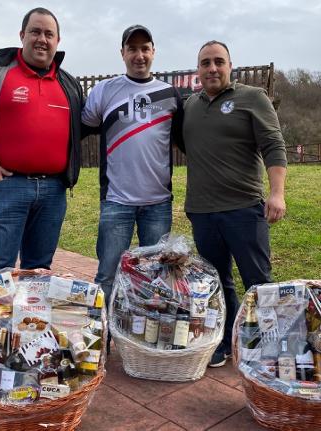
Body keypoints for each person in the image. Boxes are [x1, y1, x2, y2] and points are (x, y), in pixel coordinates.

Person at [0, 8, 85, 274]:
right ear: (22, 35)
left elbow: (84, 126)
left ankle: (29, 318)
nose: (42, 39)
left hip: (53, 192)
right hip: (5, 187)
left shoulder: (68, 83)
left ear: (58, 41)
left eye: (49, 34)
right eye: (35, 31)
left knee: (39, 272)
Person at [179, 41, 287, 367]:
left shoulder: (253, 98)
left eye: (218, 62)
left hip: (244, 209)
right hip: (202, 211)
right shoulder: (190, 106)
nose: (212, 68)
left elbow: (273, 145)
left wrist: (277, 192)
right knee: (217, 282)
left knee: (258, 281)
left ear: (230, 66)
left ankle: (270, 348)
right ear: (198, 70)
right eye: (205, 63)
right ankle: (227, 341)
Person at [81, 25, 183, 305]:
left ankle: (145, 338)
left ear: (153, 52)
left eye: (145, 48)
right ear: (122, 53)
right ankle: (102, 340)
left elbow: (183, 140)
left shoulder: (170, 94)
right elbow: (78, 128)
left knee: (158, 277)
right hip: (116, 202)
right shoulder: (105, 90)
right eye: (132, 49)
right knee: (107, 275)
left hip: (158, 203)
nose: (139, 55)